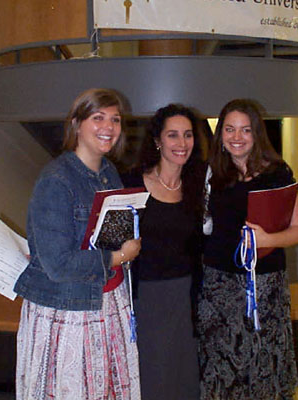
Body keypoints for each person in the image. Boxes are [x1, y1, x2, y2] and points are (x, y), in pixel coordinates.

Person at [14, 88, 141, 400]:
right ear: (76, 124)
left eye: (115, 119)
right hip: (70, 309)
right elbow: (58, 265)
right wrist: (117, 256)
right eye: (98, 118)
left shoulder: (109, 173)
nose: (108, 127)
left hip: (107, 300)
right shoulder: (56, 180)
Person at [198, 99, 298, 400]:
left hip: (265, 285)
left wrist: (267, 240)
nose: (237, 137)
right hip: (218, 284)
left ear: (257, 133)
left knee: (264, 359)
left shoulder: (277, 174)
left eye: (245, 130)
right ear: (220, 134)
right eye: (230, 129)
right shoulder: (211, 174)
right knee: (222, 362)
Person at [122, 104, 205, 400]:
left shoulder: (197, 185)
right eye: (172, 135)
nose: (181, 144)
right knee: (152, 374)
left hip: (184, 296)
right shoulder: (131, 182)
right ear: (157, 140)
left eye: (187, 135)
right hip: (146, 296)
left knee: (183, 376)